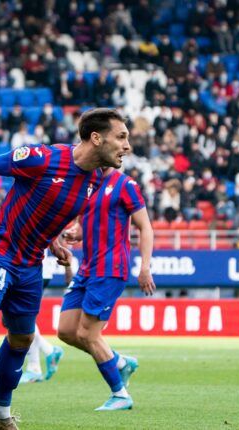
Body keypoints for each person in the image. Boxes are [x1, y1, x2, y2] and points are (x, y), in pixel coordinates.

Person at [0, 108, 131, 430]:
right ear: (96, 138)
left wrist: (53, 240)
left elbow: (48, 207)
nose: (128, 145)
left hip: (30, 263)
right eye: (122, 137)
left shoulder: (94, 180)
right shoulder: (42, 158)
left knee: (22, 339)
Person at [56, 166, 156, 411]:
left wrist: (145, 267)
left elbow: (145, 227)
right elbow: (83, 224)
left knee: (88, 334)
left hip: (110, 268)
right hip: (87, 268)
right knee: (67, 331)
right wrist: (74, 233)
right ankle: (119, 361)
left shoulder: (126, 185)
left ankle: (120, 395)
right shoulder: (87, 184)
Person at [18, 252, 72, 384]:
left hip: (33, 269)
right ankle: (49, 351)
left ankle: (34, 368)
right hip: (30, 268)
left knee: (22, 317)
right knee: (15, 318)